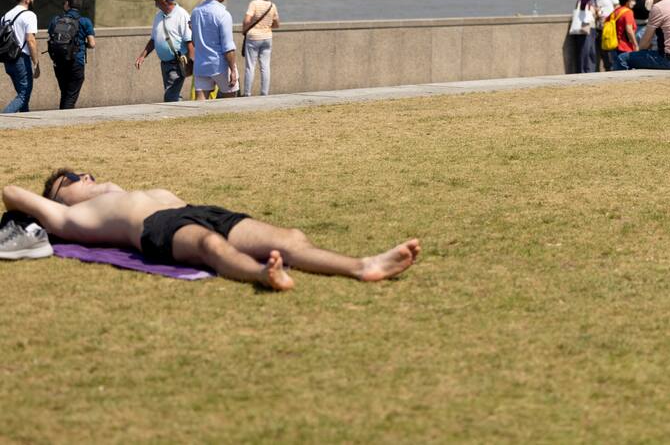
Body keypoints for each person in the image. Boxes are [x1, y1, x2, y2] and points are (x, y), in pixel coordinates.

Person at [0, 170, 420, 290]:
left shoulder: (124, 191)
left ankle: (363, 265)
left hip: (199, 210)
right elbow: (11, 190)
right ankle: (260, 274)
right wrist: (42, 205)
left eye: (84, 172)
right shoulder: (69, 218)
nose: (84, 177)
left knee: (288, 237)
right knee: (207, 245)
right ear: (58, 200)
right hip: (157, 228)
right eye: (71, 181)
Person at [135, 0, 195, 103]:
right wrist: (142, 56)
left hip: (177, 63)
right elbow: (153, 40)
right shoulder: (159, 16)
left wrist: (191, 63)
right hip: (165, 63)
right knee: (173, 94)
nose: (154, 1)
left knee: (170, 95)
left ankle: (176, 116)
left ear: (164, 0)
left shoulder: (182, 15)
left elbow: (189, 41)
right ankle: (180, 114)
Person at [47, 0, 96, 110]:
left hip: (59, 62)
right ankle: (64, 122)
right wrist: (82, 44)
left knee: (65, 93)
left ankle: (62, 118)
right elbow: (92, 44)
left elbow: (50, 40)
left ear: (67, 4)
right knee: (70, 96)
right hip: (76, 62)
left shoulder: (56, 20)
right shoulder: (85, 21)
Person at [192, 0, 239, 98]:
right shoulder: (223, 14)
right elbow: (228, 47)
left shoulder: (195, 12)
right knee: (230, 96)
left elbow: (194, 40)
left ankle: (199, 117)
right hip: (219, 65)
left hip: (201, 63)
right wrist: (233, 70)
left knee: (200, 100)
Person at [1, 0, 39, 114]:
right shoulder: (29, 15)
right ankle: (4, 118)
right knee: (24, 95)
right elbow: (30, 40)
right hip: (21, 59)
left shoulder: (5, 16)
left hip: (8, 60)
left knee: (22, 96)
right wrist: (36, 63)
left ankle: (24, 124)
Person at [242, 0, 280, 97]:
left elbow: (247, 20)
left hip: (253, 37)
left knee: (250, 66)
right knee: (265, 66)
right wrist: (267, 25)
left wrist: (244, 30)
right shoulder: (272, 6)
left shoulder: (254, 3)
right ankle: (264, 93)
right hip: (267, 37)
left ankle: (247, 93)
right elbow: (277, 24)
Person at [600, 0, 638, 68]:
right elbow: (629, 30)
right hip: (625, 47)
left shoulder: (616, 11)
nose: (634, 3)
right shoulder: (628, 12)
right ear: (628, 1)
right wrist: (635, 44)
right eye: (633, 0)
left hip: (614, 46)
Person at [591, 0, 619, 70]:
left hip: (609, 27)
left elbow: (617, 7)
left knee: (610, 49)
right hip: (598, 27)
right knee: (601, 51)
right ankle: (606, 69)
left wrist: (612, 19)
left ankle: (611, 68)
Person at [569, 0, 598, 73]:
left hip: (591, 28)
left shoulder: (590, 2)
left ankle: (590, 71)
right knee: (584, 53)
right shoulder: (582, 1)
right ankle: (583, 72)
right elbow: (585, 3)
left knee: (591, 53)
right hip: (583, 29)